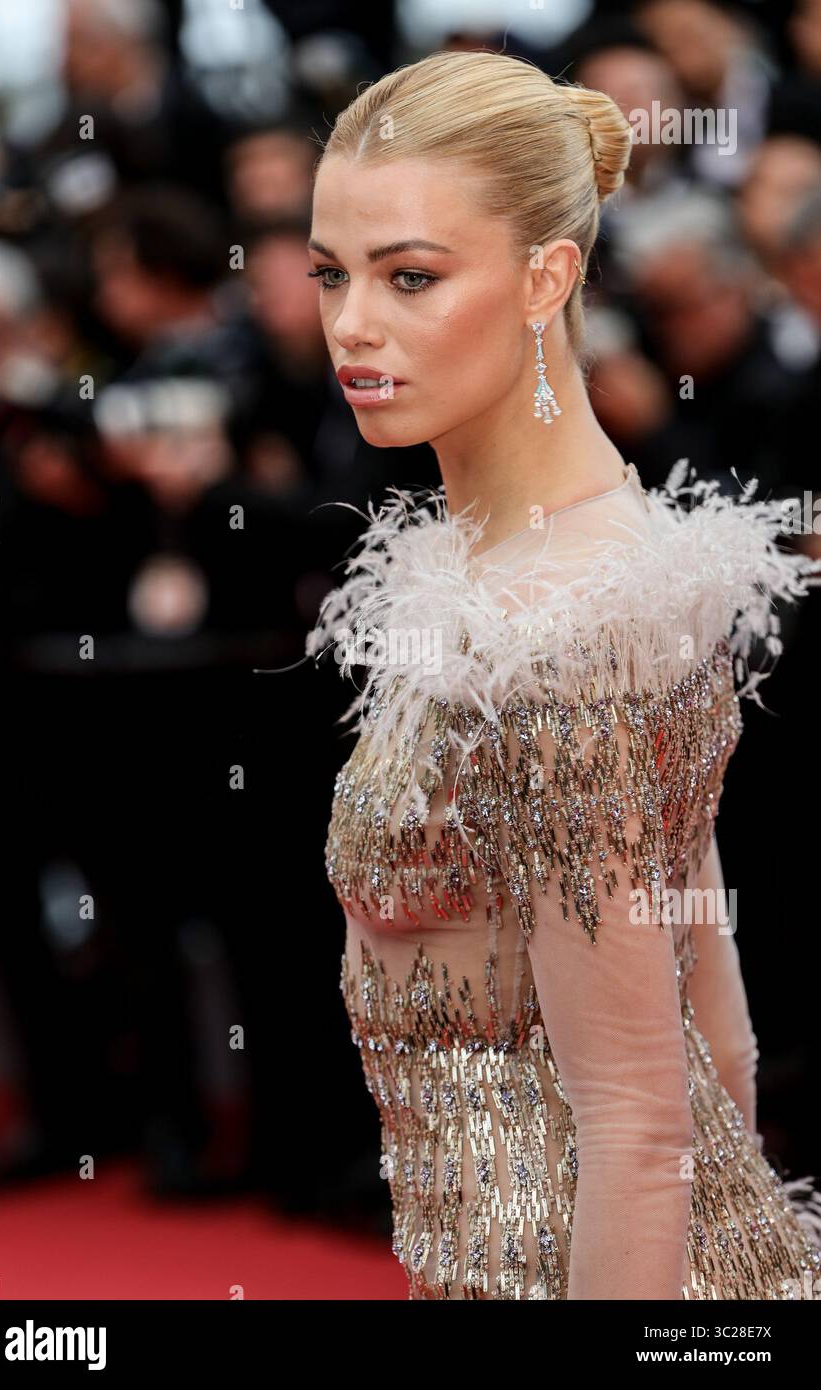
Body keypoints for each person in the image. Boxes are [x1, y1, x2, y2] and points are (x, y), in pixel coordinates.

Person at [301, 49, 821, 1300]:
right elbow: (713, 1003)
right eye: (330, 273)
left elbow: (639, 1121)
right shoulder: (562, 567)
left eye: (409, 276)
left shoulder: (566, 625)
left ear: (547, 276)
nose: (351, 324)